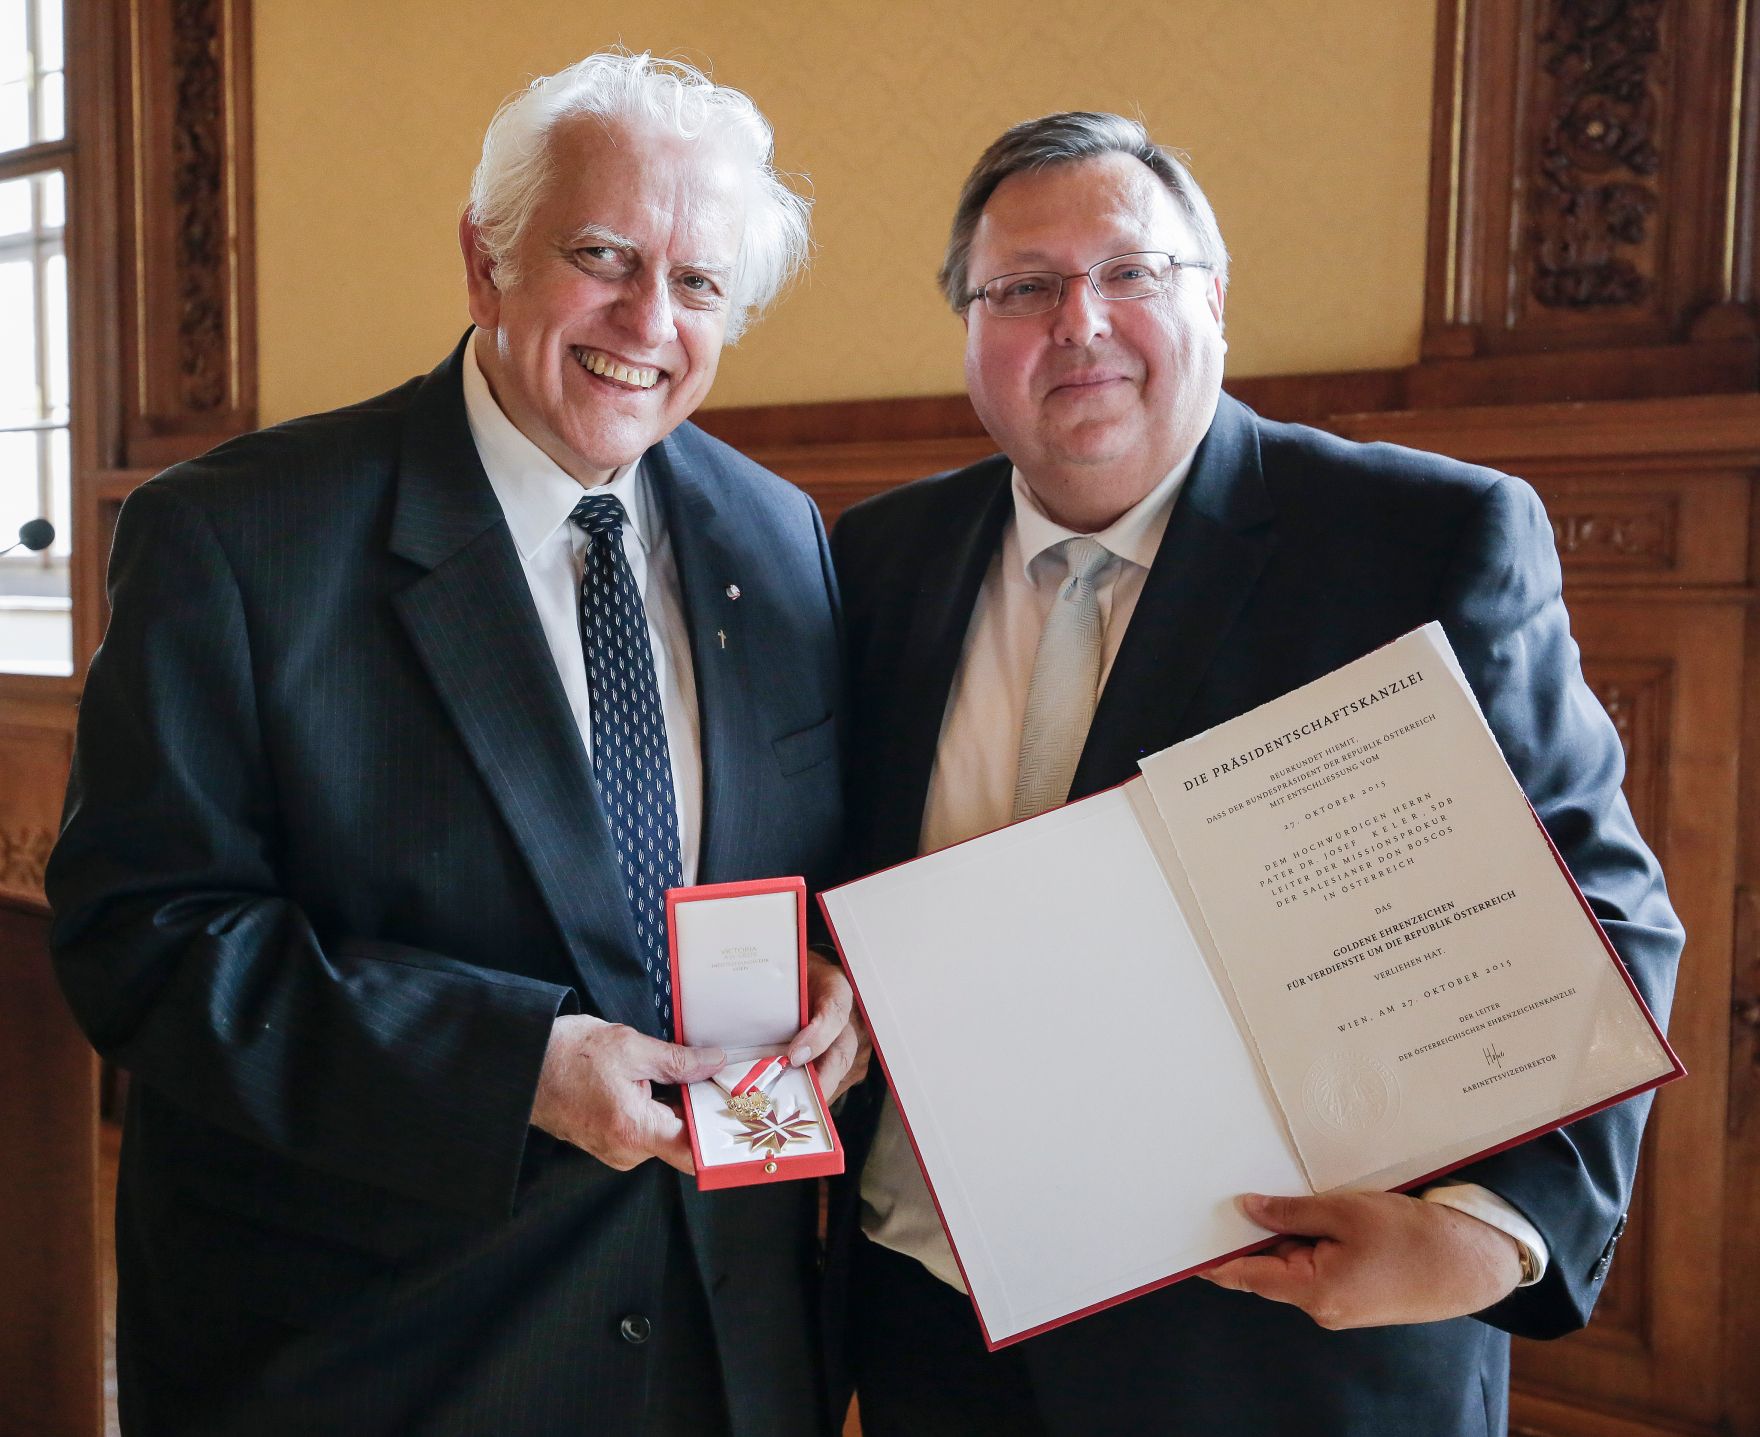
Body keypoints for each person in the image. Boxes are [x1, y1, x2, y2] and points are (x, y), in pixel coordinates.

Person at [827, 111, 1681, 1437]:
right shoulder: (872, 564)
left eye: (1130, 273)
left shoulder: (1417, 541)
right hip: (935, 1330)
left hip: (1276, 1353)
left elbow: (1601, 908)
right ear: (972, 333)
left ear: (1214, 302)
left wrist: (1488, 1236)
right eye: (1025, 287)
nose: (1080, 322)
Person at [49, 51, 861, 1437]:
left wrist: (846, 986)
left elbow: (801, 864)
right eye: (602, 255)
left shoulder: (777, 536)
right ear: (485, 264)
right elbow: (146, 936)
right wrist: (515, 1068)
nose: (649, 318)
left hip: (727, 1348)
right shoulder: (240, 541)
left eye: (701, 281)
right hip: (384, 1355)